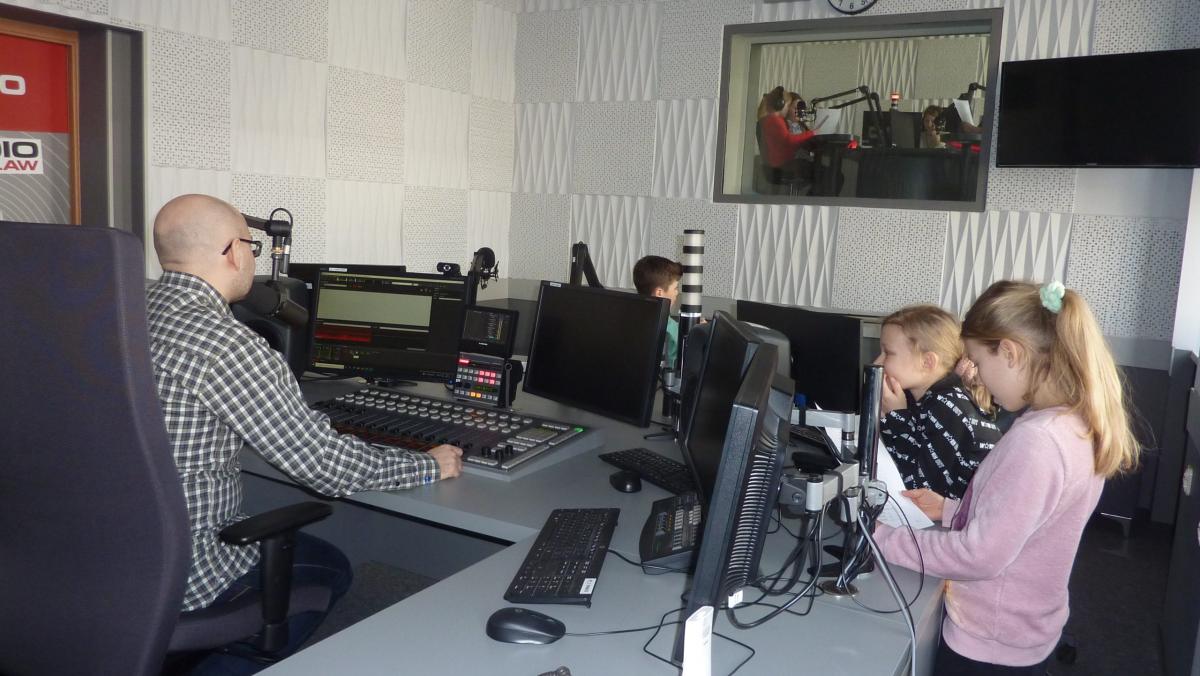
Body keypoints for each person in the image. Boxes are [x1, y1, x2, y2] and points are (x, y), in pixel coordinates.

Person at [145, 194, 464, 663]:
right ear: (232, 252)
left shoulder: (124, 312)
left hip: (109, 558)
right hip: (191, 576)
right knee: (332, 567)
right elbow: (326, 469)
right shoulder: (228, 347)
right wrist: (427, 465)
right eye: (251, 246)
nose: (253, 257)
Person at [875, 280, 1140, 675]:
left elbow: (977, 556)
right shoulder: (1069, 424)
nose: (978, 378)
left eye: (979, 363)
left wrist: (877, 537)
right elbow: (1026, 520)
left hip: (990, 643)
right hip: (1021, 630)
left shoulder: (1038, 442)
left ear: (1011, 354)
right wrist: (949, 509)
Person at [874, 305, 1001, 501]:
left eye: (888, 353)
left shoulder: (947, 407)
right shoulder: (922, 400)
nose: (877, 362)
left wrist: (897, 419)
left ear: (927, 362)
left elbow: (921, 494)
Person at [632, 255, 683, 367]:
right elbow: (678, 366)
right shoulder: (670, 330)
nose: (677, 292)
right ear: (659, 293)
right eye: (675, 288)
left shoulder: (630, 317)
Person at [758, 85, 816, 177]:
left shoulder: (801, 126)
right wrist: (811, 134)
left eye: (800, 108)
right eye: (794, 108)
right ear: (786, 108)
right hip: (789, 165)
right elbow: (789, 142)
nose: (799, 111)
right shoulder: (779, 123)